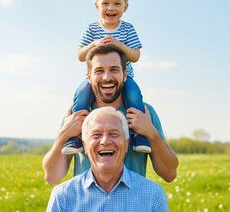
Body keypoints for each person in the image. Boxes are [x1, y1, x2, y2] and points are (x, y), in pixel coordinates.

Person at [42, 44, 178, 185]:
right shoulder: (75, 116)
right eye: (99, 71)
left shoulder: (144, 113)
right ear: (89, 77)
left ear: (125, 75)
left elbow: (169, 174)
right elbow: (52, 177)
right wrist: (64, 135)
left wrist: (151, 133)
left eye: (114, 70)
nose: (107, 77)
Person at [63, 0, 150, 155]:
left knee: (133, 94)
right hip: (96, 78)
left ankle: (139, 135)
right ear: (97, 6)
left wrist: (120, 45)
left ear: (125, 7)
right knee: (81, 94)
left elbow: (135, 56)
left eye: (117, 4)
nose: (111, 8)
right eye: (106, 3)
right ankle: (76, 137)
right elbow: (80, 55)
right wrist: (93, 44)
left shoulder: (127, 29)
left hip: (124, 78)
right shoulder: (92, 29)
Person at [46, 107, 169, 211]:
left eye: (114, 134)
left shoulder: (154, 195)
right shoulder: (62, 197)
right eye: (96, 134)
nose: (105, 141)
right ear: (85, 146)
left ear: (126, 144)